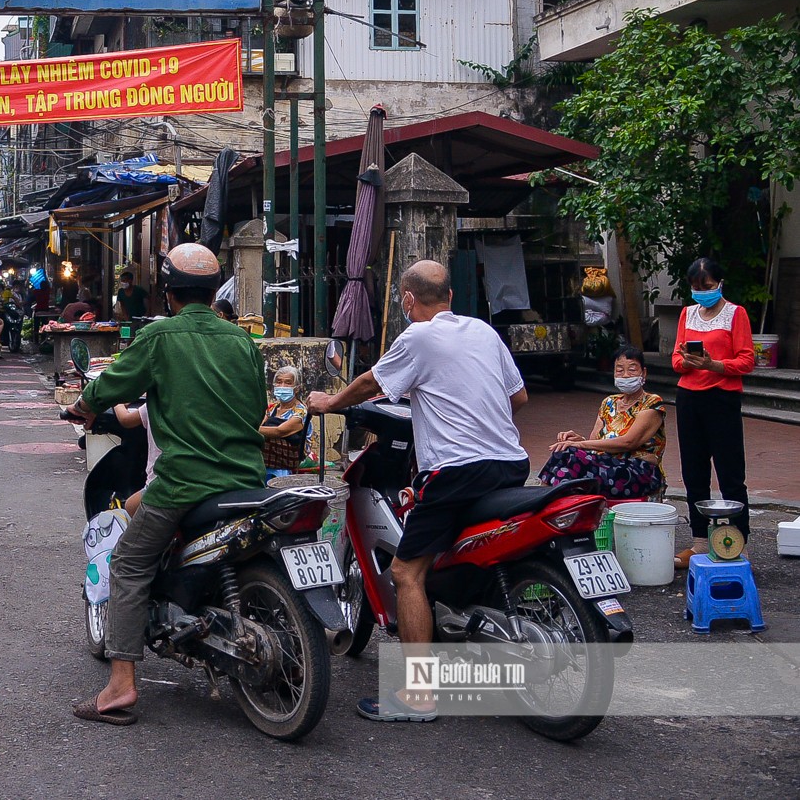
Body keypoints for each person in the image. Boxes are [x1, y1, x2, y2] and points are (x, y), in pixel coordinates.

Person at [308, 260, 529, 723]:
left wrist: (329, 401)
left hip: (456, 472)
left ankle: (418, 694)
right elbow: (518, 399)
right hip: (510, 464)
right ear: (450, 295)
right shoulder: (484, 331)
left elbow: (372, 384)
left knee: (408, 572)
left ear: (408, 300)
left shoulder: (417, 337)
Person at [63, 243, 267, 726]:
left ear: (170, 293)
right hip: (247, 478)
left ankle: (119, 688)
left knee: (129, 565)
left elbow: (109, 386)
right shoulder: (240, 341)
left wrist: (84, 406)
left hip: (184, 482)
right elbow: (257, 406)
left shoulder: (160, 337)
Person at [671, 256, 755, 567]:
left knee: (731, 474)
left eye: (706, 286)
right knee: (694, 472)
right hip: (689, 396)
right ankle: (699, 541)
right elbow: (676, 359)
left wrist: (714, 365)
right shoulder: (687, 313)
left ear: (719, 284)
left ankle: (738, 543)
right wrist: (688, 361)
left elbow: (746, 361)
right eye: (695, 287)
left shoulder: (736, 314)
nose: (701, 292)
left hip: (722, 397)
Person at [539, 346, 666, 500]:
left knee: (570, 459)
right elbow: (596, 443)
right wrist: (578, 440)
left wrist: (580, 446)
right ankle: (548, 505)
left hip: (639, 471)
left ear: (643, 373)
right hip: (607, 464)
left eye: (632, 370)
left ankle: (541, 502)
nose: (625, 375)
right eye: (619, 370)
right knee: (563, 454)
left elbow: (628, 442)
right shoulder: (609, 402)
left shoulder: (652, 403)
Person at [260, 366, 307, 477]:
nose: (282, 386)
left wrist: (248, 429)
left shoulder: (301, 411)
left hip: (290, 459)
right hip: (269, 459)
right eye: (279, 382)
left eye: (288, 383)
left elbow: (280, 431)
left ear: (296, 388)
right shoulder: (272, 409)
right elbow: (261, 425)